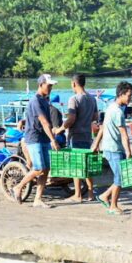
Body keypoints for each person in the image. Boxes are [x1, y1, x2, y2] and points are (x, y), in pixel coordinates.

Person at [11, 74, 60, 208]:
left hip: (43, 137)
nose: (50, 88)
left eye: (51, 86)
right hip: (34, 138)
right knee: (38, 168)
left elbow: (36, 119)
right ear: (41, 85)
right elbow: (44, 122)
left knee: (46, 169)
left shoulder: (45, 100)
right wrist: (53, 140)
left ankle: (38, 199)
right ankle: (18, 187)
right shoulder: (35, 101)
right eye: (48, 85)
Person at [91, 81, 132, 215]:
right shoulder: (118, 112)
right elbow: (124, 134)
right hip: (114, 149)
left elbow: (102, 128)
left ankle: (105, 196)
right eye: (129, 95)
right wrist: (128, 151)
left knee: (119, 177)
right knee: (120, 178)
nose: (130, 99)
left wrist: (96, 144)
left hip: (109, 148)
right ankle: (113, 206)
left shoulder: (110, 107)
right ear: (121, 94)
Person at [55, 74, 98, 203]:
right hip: (87, 137)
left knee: (76, 165)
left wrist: (60, 129)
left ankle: (78, 194)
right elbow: (95, 117)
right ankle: (90, 193)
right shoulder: (92, 99)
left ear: (74, 84)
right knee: (87, 165)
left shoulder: (73, 99)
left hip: (76, 136)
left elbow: (71, 119)